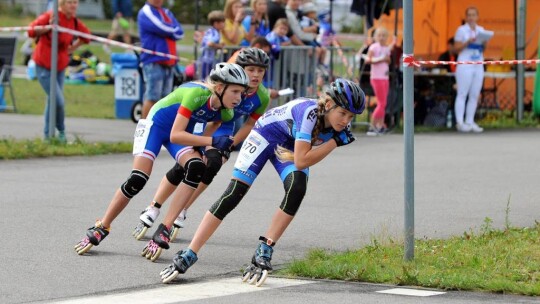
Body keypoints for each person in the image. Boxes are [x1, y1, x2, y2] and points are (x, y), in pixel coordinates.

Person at [159, 78, 365, 285]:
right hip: (265, 136)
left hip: (289, 144)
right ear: (328, 105)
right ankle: (190, 252)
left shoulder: (336, 126)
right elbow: (302, 161)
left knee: (297, 188)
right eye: (343, 113)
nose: (346, 121)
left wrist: (333, 140)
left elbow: (302, 160)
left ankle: (265, 248)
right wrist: (334, 143)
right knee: (233, 194)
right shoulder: (310, 113)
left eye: (351, 117)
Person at [74, 63, 249, 255]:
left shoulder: (227, 111)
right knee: (138, 178)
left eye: (241, 93)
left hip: (182, 131)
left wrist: (202, 149)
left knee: (196, 167)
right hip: (156, 126)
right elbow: (175, 135)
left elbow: (207, 131)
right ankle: (102, 226)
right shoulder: (196, 95)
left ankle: (164, 228)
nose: (239, 98)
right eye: (235, 91)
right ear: (219, 88)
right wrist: (213, 141)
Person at [133, 49, 272, 259]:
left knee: (213, 164)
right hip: (208, 124)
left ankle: (182, 209)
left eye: (260, 71)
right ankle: (154, 206)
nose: (255, 75)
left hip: (227, 128)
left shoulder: (262, 96)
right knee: (188, 163)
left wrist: (231, 142)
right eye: (251, 69)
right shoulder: (229, 84)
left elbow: (251, 123)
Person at [27, 0, 91, 142]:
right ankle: (61, 130)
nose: (73, 5)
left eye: (75, 2)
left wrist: (73, 47)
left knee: (52, 100)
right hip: (43, 65)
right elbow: (30, 31)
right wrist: (48, 27)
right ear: (61, 5)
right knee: (58, 101)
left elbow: (87, 36)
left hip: (60, 66)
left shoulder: (74, 21)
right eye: (69, 2)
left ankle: (48, 136)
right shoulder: (50, 16)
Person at [138, 0, 184, 119]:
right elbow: (161, 27)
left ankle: (161, 130)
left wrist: (172, 31)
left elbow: (180, 33)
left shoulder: (166, 12)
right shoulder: (145, 11)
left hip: (169, 62)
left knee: (166, 100)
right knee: (152, 97)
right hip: (154, 61)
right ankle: (143, 130)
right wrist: (173, 29)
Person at [453, 6, 487, 133]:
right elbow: (456, 49)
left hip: (477, 64)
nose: (472, 17)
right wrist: (467, 42)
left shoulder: (481, 30)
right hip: (465, 65)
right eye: (469, 15)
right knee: (462, 93)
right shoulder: (461, 30)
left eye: (474, 15)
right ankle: (460, 122)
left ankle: (470, 121)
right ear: (466, 17)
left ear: (477, 17)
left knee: (474, 94)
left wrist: (484, 42)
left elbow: (483, 48)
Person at [365, 27, 392, 136]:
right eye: (379, 35)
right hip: (376, 77)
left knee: (383, 103)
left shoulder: (386, 48)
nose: (381, 38)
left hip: (385, 77)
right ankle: (372, 126)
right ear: (376, 37)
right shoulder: (373, 47)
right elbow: (368, 59)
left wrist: (386, 59)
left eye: (384, 36)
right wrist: (380, 59)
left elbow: (389, 60)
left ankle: (380, 125)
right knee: (381, 103)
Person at [199, 10, 226, 80]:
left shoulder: (210, 31)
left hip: (204, 59)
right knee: (207, 79)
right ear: (216, 23)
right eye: (222, 22)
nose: (224, 24)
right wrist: (219, 46)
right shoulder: (215, 33)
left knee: (204, 79)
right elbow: (210, 43)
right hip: (208, 60)